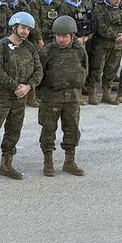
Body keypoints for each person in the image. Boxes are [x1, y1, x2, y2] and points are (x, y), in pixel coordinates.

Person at [0, 12, 43, 181]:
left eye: (28, 29)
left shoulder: (30, 48)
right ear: (15, 27)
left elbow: (39, 70)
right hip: (1, 98)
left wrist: (28, 87)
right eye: (23, 28)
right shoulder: (1, 46)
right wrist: (15, 86)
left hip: (20, 98)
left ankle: (6, 165)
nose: (25, 32)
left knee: (13, 132)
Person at [37, 16, 87, 177]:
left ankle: (69, 162)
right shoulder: (47, 51)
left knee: (72, 129)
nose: (61, 39)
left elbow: (85, 67)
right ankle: (48, 162)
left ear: (71, 36)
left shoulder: (79, 49)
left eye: (65, 36)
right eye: (59, 36)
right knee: (48, 129)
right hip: (51, 97)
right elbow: (39, 73)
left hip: (72, 97)